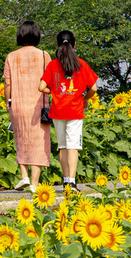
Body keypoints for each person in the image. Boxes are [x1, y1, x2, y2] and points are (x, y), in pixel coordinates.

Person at [39, 30, 98, 193]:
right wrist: (85, 98)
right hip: (75, 111)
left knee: (63, 146)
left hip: (58, 111)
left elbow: (41, 87)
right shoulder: (81, 64)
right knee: (73, 146)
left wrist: (56, 91)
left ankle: (65, 180)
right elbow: (94, 88)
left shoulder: (53, 65)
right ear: (74, 45)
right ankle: (72, 183)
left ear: (57, 45)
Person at [3, 21, 51, 194]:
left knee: (20, 138)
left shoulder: (11, 56)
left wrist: (8, 102)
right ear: (37, 35)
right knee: (39, 142)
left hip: (17, 104)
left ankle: (24, 176)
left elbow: (7, 84)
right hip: (40, 105)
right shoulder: (44, 55)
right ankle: (35, 183)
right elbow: (50, 80)